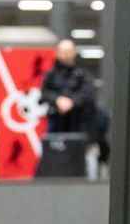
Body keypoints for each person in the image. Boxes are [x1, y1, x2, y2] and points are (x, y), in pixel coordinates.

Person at [39, 38, 98, 177]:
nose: (65, 55)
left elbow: (88, 93)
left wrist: (72, 102)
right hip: (56, 122)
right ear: (57, 53)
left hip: (80, 122)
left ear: (74, 52)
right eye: (62, 51)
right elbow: (44, 92)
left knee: (84, 155)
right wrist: (57, 99)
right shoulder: (50, 74)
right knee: (52, 154)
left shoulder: (83, 73)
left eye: (68, 51)